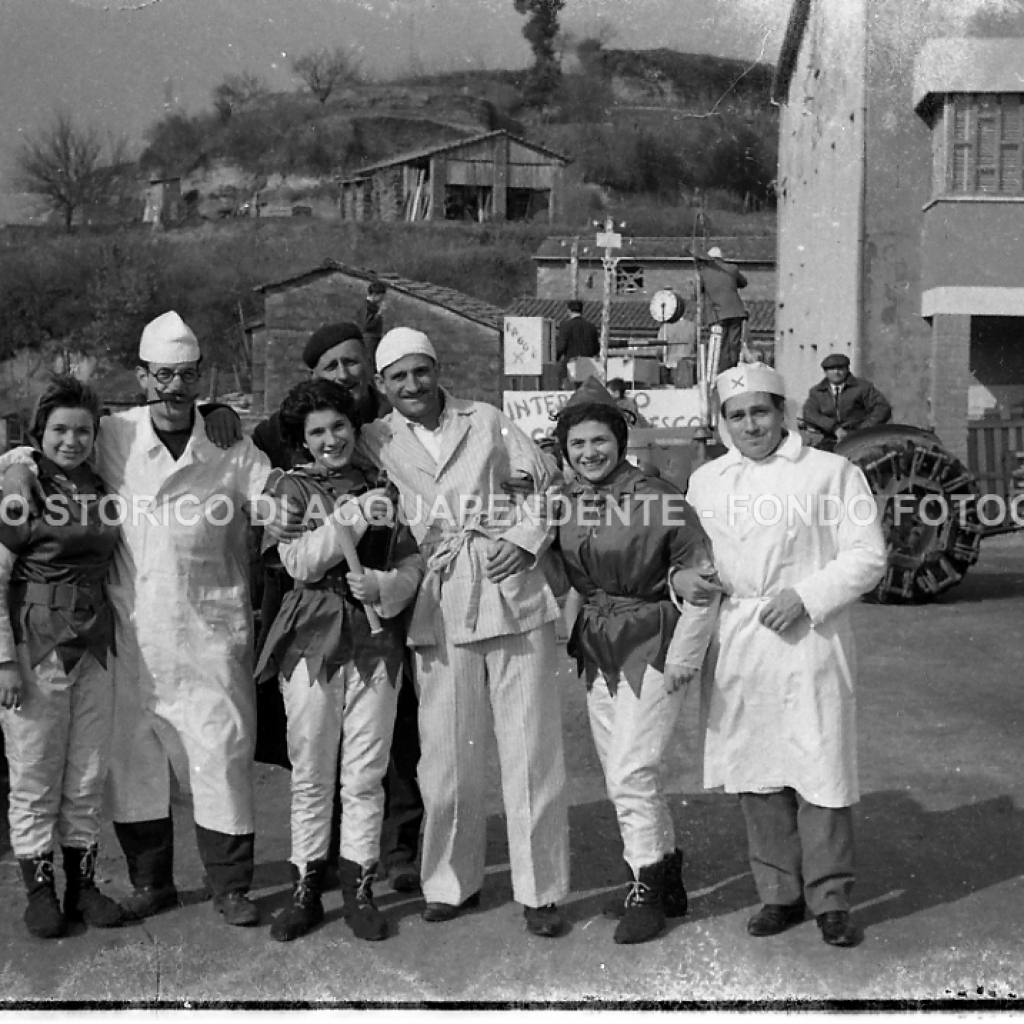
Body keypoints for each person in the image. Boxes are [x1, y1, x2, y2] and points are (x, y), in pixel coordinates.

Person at [3, 312, 274, 927]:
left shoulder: (228, 444)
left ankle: (231, 887)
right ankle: (152, 883)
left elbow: (271, 492)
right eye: (162, 376)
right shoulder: (115, 435)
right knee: (135, 765)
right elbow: (52, 445)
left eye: (185, 376)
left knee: (221, 758)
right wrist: (16, 457)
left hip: (210, 636)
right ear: (142, 377)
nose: (173, 388)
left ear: (199, 378)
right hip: (131, 639)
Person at [361, 327, 571, 938]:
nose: (412, 385)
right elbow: (304, 439)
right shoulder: (377, 440)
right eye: (398, 377)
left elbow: (549, 486)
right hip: (438, 598)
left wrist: (522, 540)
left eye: (421, 372)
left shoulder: (486, 419)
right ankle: (451, 883)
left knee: (531, 750)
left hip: (510, 592)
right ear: (382, 385)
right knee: (447, 758)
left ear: (438, 370)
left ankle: (543, 891)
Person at [680, 363, 886, 947]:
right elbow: (690, 558)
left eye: (761, 411)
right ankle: (779, 894)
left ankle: (831, 899)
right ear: (723, 422)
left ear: (783, 412)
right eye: (738, 415)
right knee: (757, 770)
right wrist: (687, 582)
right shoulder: (707, 482)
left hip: (810, 639)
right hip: (740, 638)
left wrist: (805, 596)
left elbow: (867, 555)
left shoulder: (831, 473)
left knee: (819, 766)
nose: (751, 424)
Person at [251, 321, 425, 894]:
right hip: (312, 637)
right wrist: (348, 517)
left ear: (357, 427)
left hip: (375, 641)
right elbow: (298, 563)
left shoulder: (382, 479)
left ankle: (361, 882)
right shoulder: (292, 485)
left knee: (367, 772)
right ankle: (306, 881)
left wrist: (386, 586)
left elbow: (409, 562)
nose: (331, 439)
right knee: (311, 768)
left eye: (340, 427)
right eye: (319, 431)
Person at [552, 378, 720, 944]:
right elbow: (568, 577)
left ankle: (644, 887)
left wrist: (685, 658)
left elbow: (703, 582)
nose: (589, 454)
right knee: (625, 772)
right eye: (578, 445)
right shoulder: (569, 501)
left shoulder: (661, 497)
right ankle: (666, 876)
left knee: (632, 769)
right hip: (597, 648)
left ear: (620, 442)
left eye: (599, 441)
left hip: (652, 643)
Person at [0, 377, 125, 939]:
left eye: (82, 431)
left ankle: (84, 885)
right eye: (59, 430)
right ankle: (39, 889)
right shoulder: (20, 483)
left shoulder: (101, 486)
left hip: (95, 644)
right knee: (34, 770)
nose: (71, 440)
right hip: (36, 644)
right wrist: (3, 660)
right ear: (39, 434)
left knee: (87, 771)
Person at [801, 353, 892, 451]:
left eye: (840, 368)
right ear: (825, 372)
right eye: (832, 369)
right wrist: (834, 428)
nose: (836, 372)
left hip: (862, 439)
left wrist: (862, 430)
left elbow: (882, 408)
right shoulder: (817, 392)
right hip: (830, 439)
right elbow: (809, 413)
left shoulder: (863, 387)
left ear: (847, 369)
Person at [697, 246, 748, 371]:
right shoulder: (732, 268)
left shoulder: (703, 273)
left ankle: (724, 371)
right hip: (736, 311)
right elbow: (743, 283)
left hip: (717, 313)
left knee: (722, 344)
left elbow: (696, 292)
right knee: (734, 343)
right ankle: (733, 368)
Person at [555, 299, 601, 390]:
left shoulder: (565, 326)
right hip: (588, 365)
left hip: (571, 365)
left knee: (571, 393)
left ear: (568, 310)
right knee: (585, 392)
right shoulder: (591, 327)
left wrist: (555, 358)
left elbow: (561, 346)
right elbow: (596, 348)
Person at [363, 280, 388, 363]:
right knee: (370, 361)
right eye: (382, 296)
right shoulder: (367, 307)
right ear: (374, 295)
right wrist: (379, 314)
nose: (383, 298)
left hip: (374, 338)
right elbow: (367, 325)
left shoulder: (373, 306)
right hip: (369, 339)